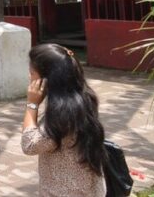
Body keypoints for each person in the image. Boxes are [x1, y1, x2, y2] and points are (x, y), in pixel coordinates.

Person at [21, 43, 107, 197]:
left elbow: (30, 145)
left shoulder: (63, 115)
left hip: (66, 191)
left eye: (32, 73)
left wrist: (32, 104)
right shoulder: (84, 98)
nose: (29, 77)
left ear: (47, 79)